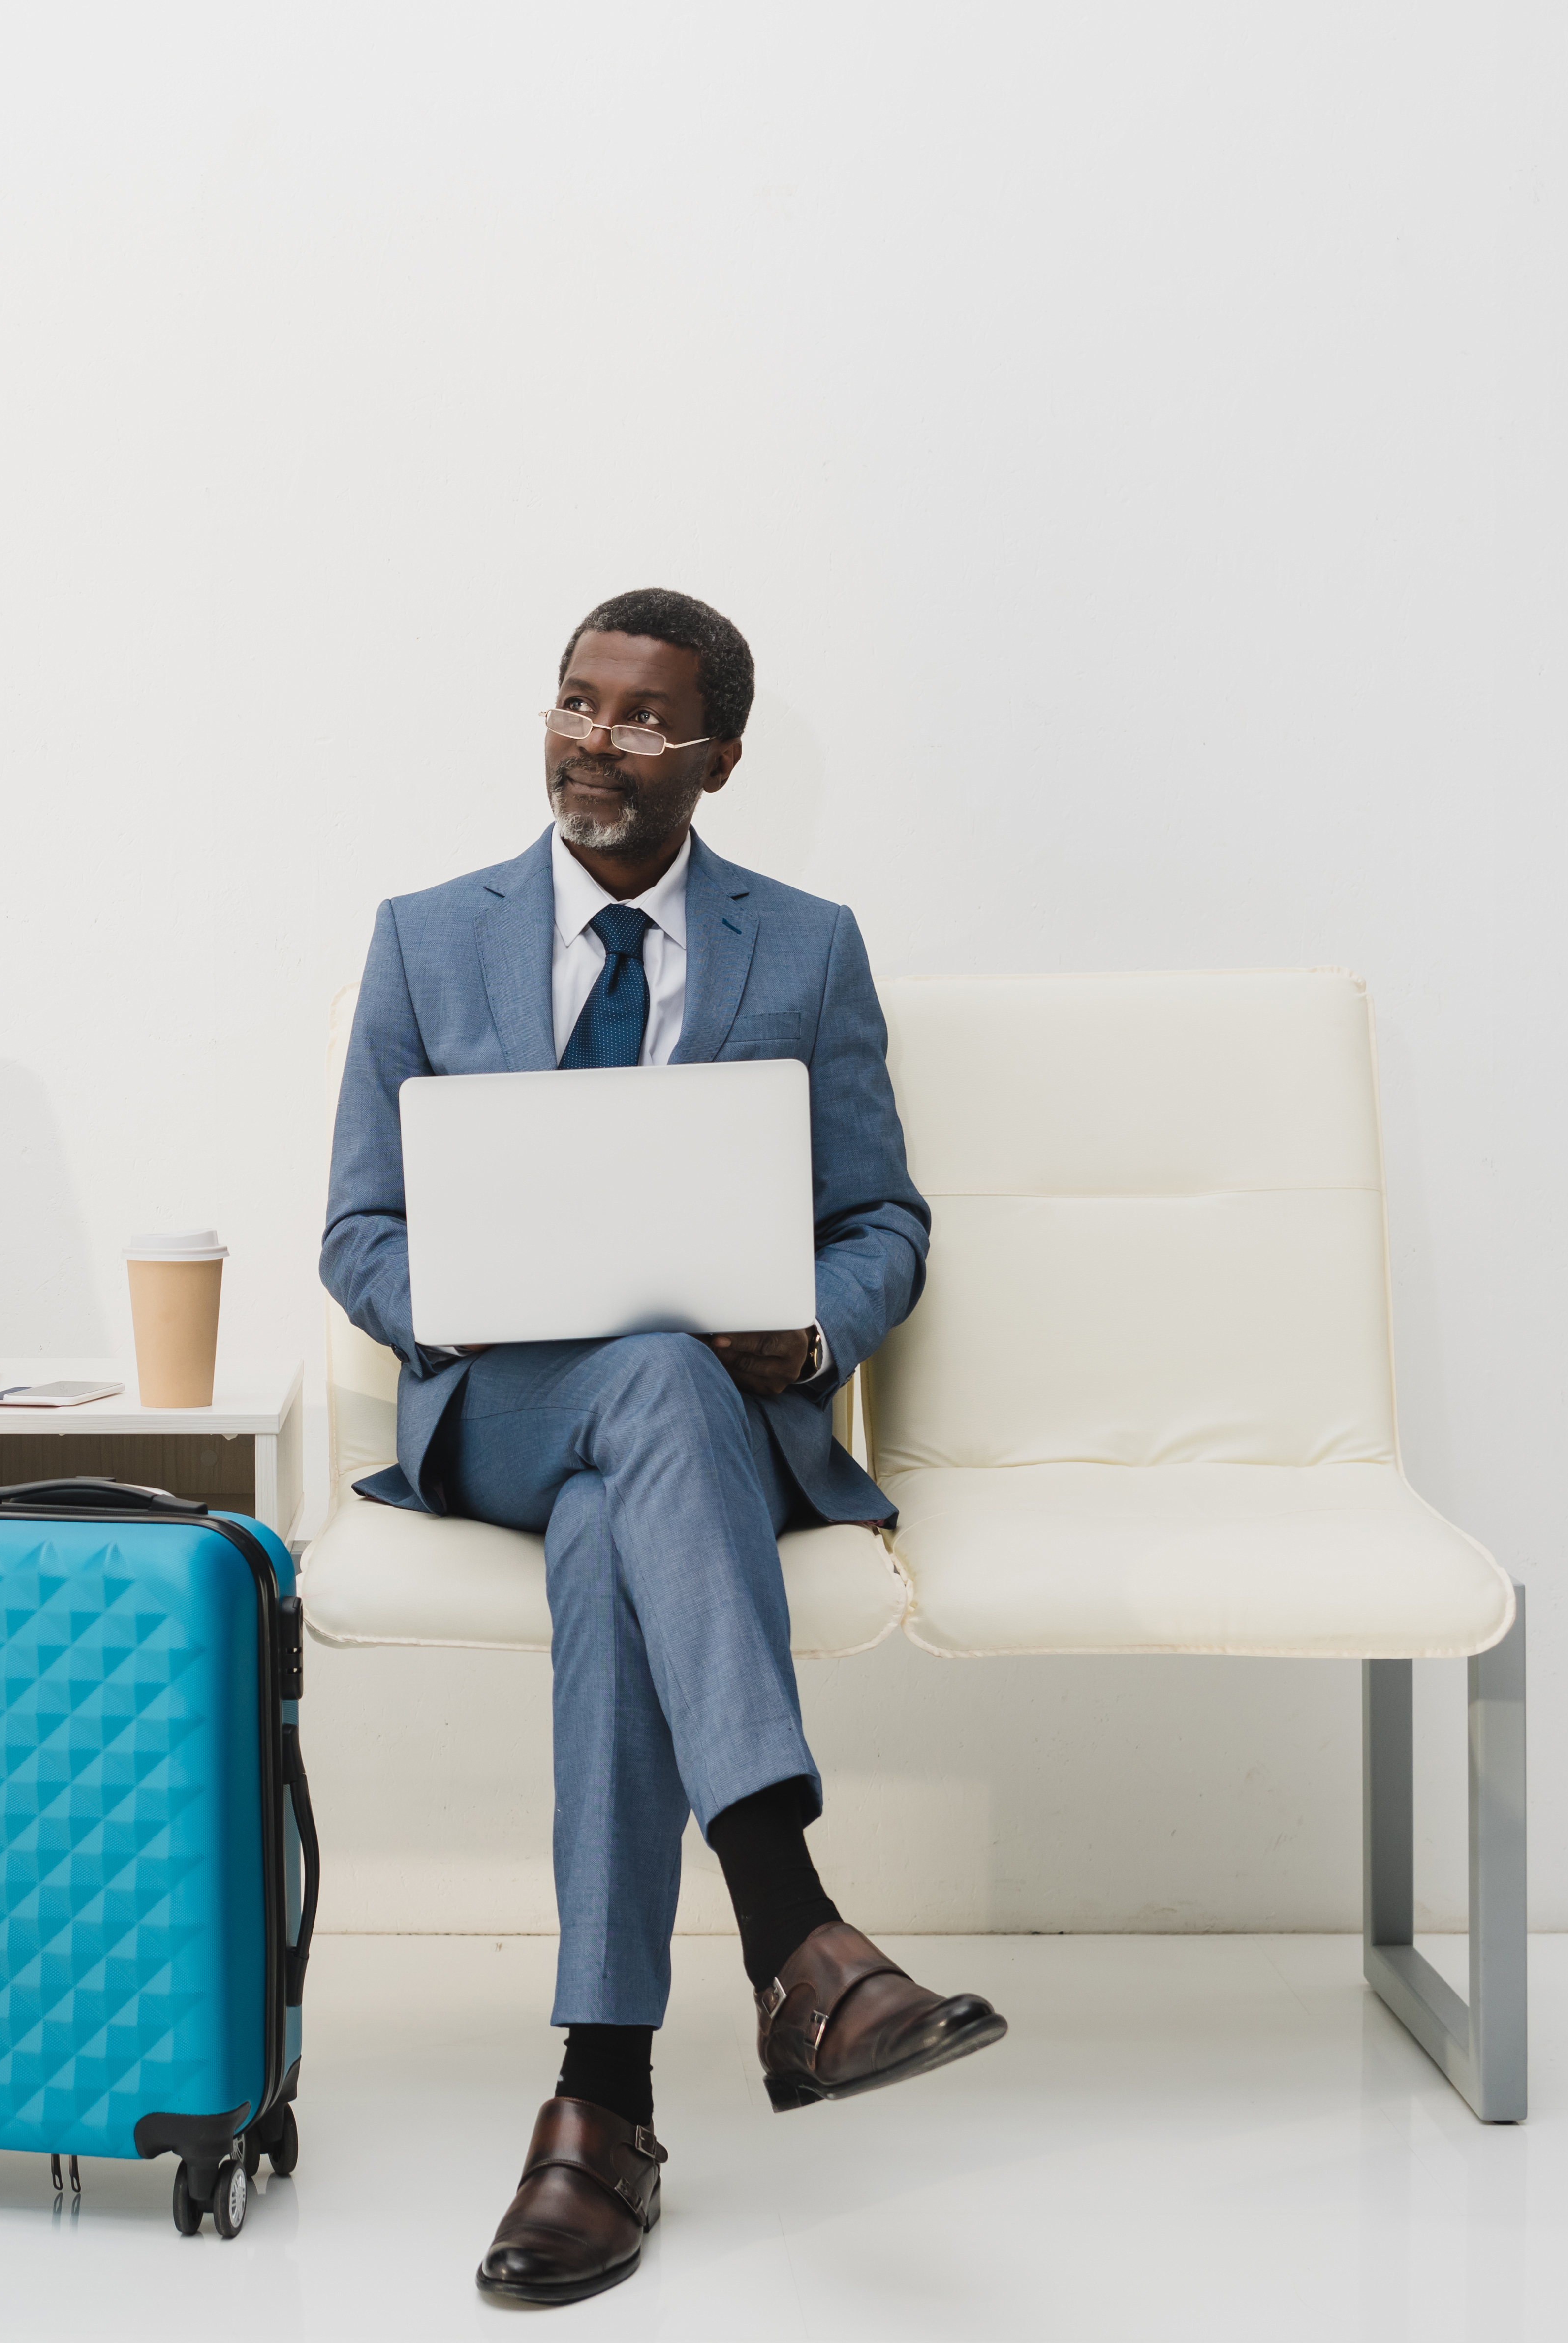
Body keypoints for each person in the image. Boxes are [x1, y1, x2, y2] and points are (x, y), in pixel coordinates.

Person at [320, 587, 1005, 2306]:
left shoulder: (807, 945)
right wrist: (453, 1298)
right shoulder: (425, 936)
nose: (593, 740)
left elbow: (882, 1220)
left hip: (697, 1432)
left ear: (718, 758)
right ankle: (791, 1928)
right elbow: (355, 1231)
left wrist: (818, 1328)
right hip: (501, 1407)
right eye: (573, 703)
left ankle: (600, 2102)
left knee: (636, 1472)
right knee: (639, 1380)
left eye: (639, 718)